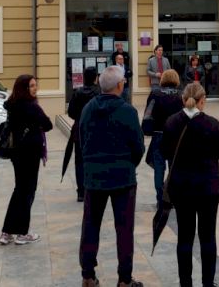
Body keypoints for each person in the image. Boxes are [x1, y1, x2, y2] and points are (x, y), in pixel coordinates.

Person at [79, 66, 145, 287]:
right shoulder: (128, 111)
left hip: (94, 177)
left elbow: (82, 140)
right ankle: (124, 279)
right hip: (122, 178)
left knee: (90, 226)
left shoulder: (88, 109)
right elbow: (138, 146)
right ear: (119, 85)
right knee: (124, 230)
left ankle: (88, 276)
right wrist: (128, 164)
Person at [161, 82, 219, 287]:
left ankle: (186, 283)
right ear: (202, 101)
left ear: (183, 100)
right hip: (208, 188)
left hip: (181, 188)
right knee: (208, 237)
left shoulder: (171, 122)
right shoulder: (212, 124)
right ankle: (208, 282)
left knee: (184, 237)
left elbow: (164, 151)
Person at [0, 75, 52, 246]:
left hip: (16, 152)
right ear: (24, 88)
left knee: (19, 190)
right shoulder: (31, 106)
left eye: (35, 85)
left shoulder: (12, 105)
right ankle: (22, 233)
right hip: (30, 153)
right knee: (27, 191)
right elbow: (48, 124)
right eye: (31, 86)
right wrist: (36, 126)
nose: (35, 88)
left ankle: (7, 232)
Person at [143, 70, 184, 205]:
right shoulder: (181, 95)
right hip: (176, 138)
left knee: (159, 170)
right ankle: (172, 197)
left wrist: (147, 129)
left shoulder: (155, 94)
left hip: (158, 135)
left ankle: (160, 198)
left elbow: (148, 114)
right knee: (174, 169)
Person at [67, 68, 100, 202]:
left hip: (79, 130)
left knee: (79, 161)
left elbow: (71, 112)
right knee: (95, 160)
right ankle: (93, 188)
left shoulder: (77, 92)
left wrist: (79, 118)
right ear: (95, 78)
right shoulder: (99, 93)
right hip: (96, 131)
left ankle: (81, 191)